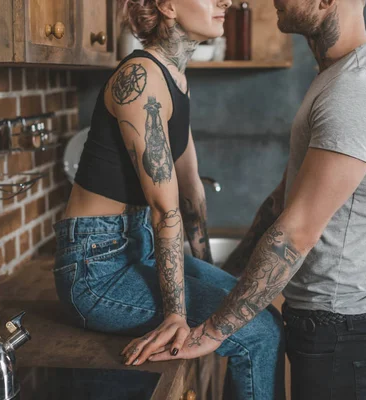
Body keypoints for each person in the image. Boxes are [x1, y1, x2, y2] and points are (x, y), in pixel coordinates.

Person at [147, 0, 366, 399]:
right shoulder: (336, 77)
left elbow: (297, 230)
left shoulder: (357, 89)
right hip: (333, 324)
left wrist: (216, 329)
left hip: (342, 328)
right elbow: (279, 203)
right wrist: (230, 275)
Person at [52, 0, 286, 398]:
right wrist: (178, 314)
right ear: (167, 5)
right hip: (97, 270)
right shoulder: (139, 77)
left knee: (254, 311)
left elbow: (191, 189)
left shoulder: (175, 77)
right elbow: (165, 207)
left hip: (139, 249)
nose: (225, 1)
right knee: (258, 332)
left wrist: (206, 269)